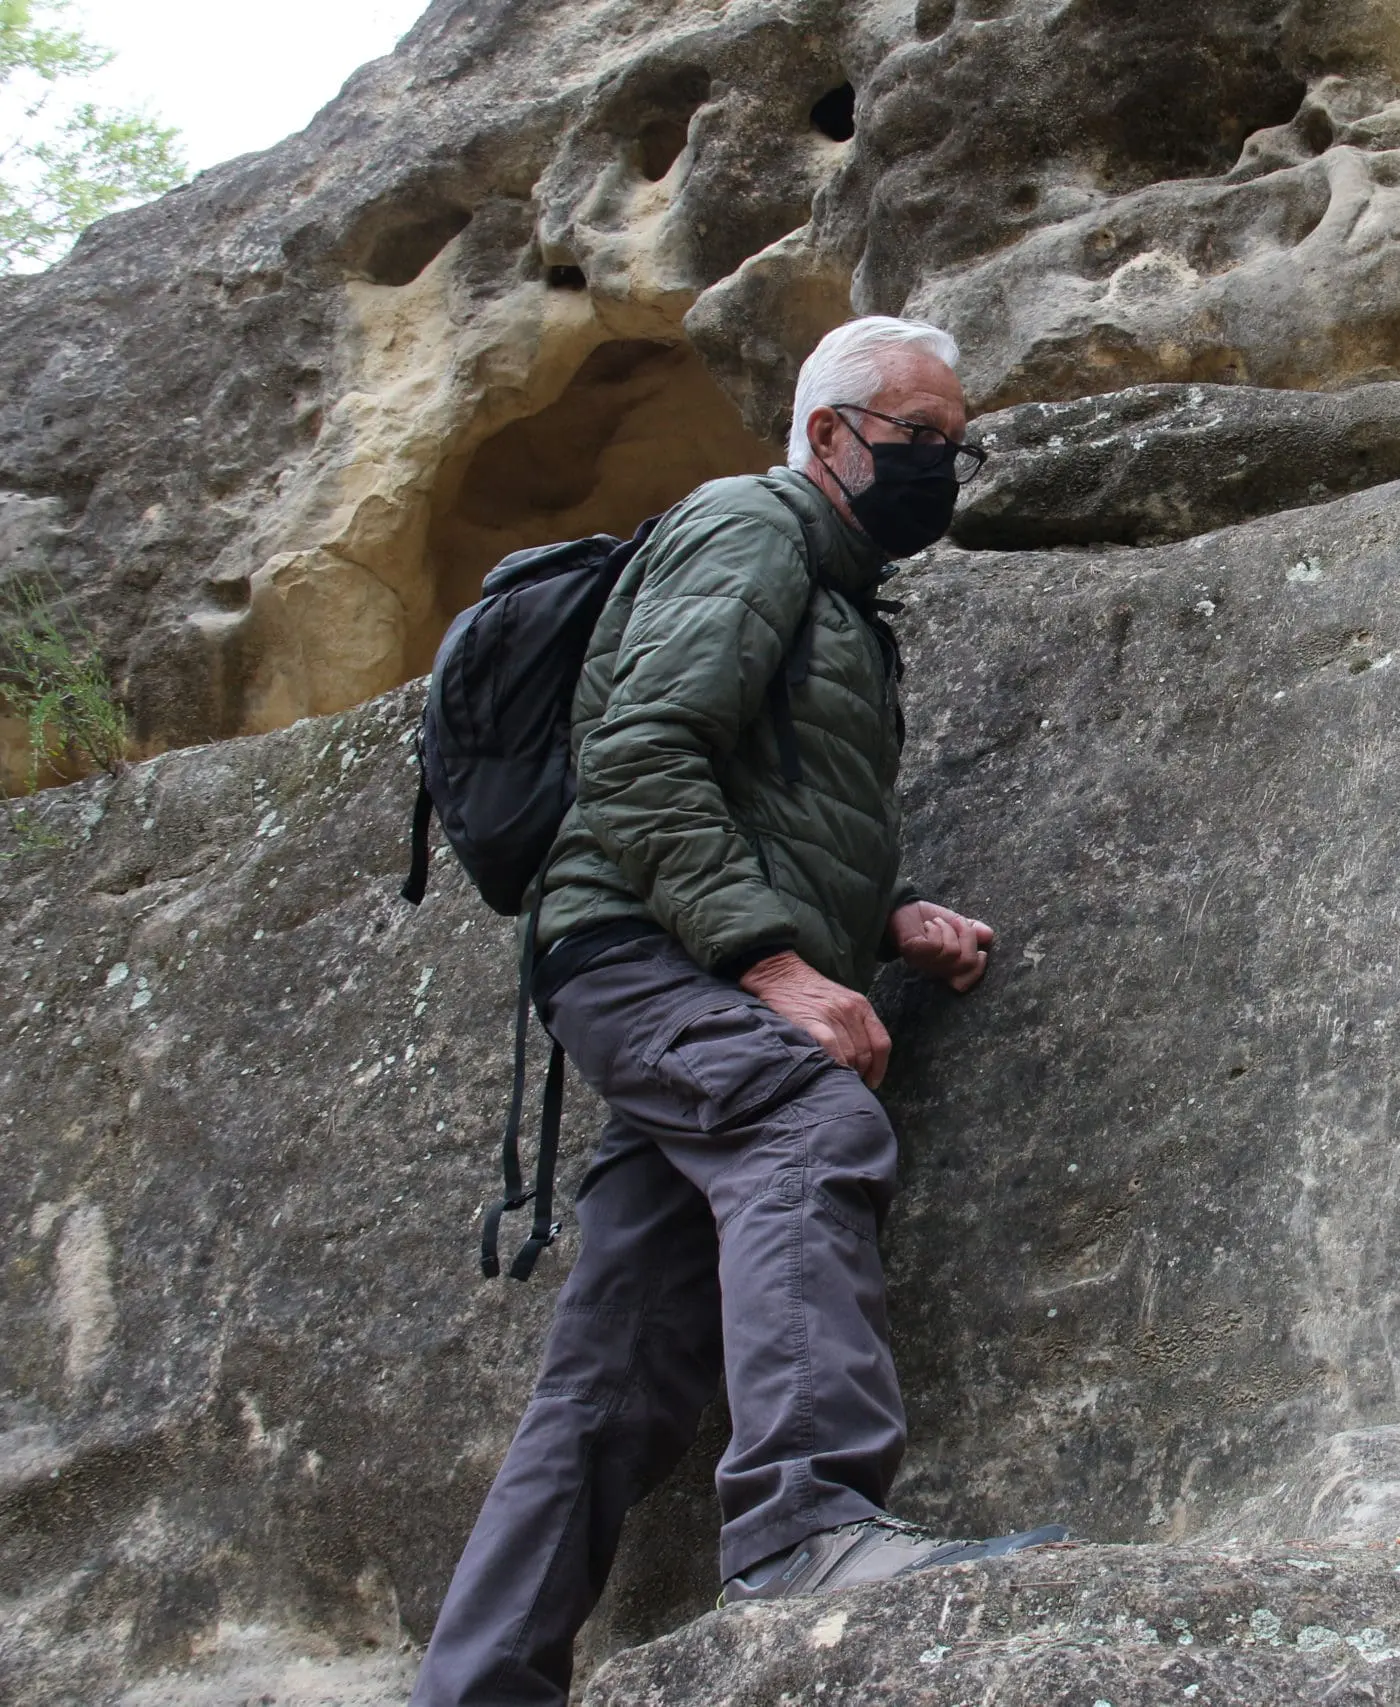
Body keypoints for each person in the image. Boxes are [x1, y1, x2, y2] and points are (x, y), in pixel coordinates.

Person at [410, 317, 1061, 1707]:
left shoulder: (835, 592)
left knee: (619, 1362)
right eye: (920, 437)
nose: (942, 465)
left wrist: (887, 918)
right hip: (645, 953)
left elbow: (766, 801)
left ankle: (477, 1687)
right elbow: (642, 755)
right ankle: (804, 1529)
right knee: (803, 1124)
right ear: (831, 435)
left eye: (957, 445)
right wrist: (778, 969)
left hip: (681, 953)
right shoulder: (749, 527)